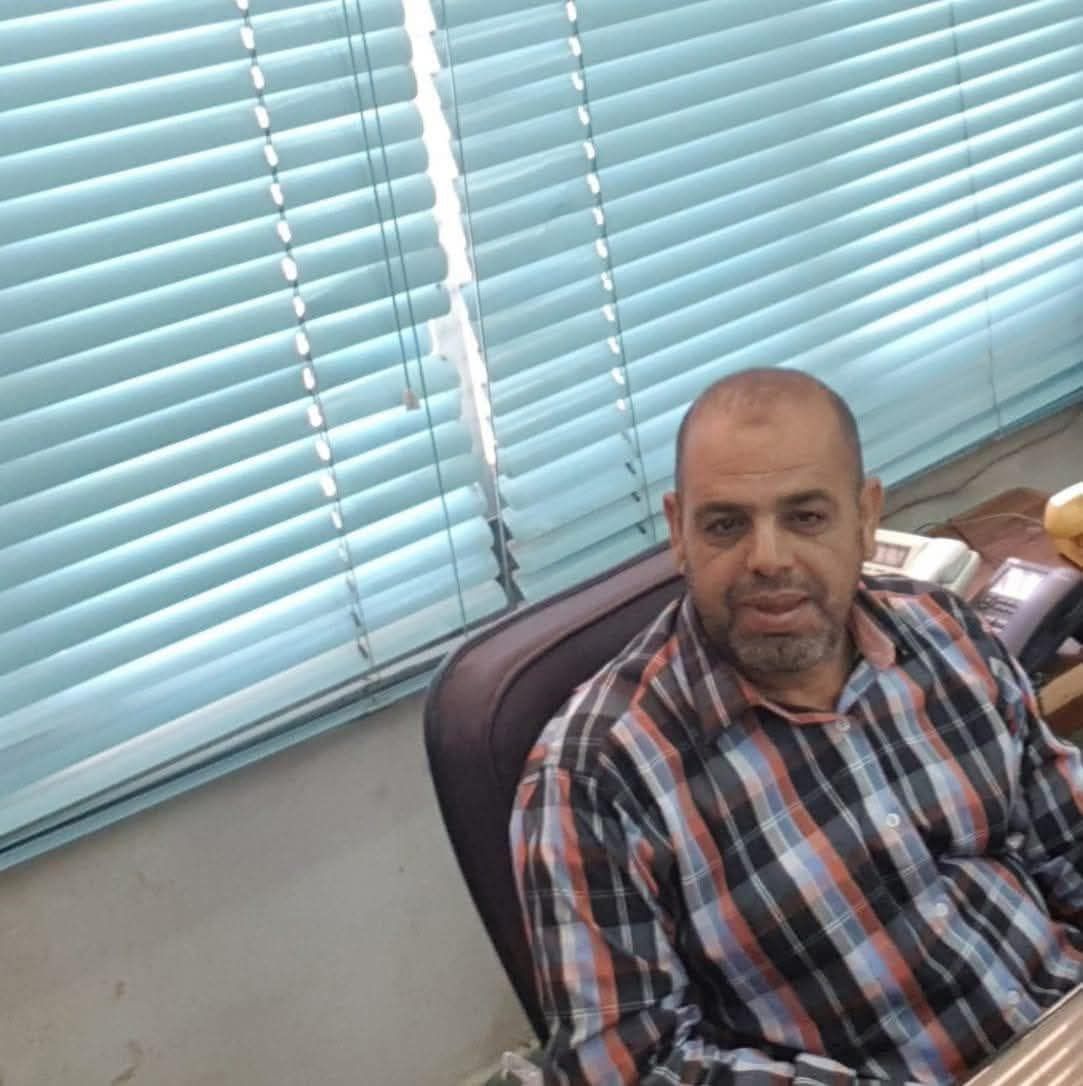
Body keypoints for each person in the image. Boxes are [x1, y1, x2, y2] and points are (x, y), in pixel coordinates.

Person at [510, 368, 1083, 1085]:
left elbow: (1066, 835)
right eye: (725, 525)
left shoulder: (940, 630)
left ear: (866, 518)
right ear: (678, 532)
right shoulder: (592, 781)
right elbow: (628, 1065)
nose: (769, 560)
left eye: (806, 517)